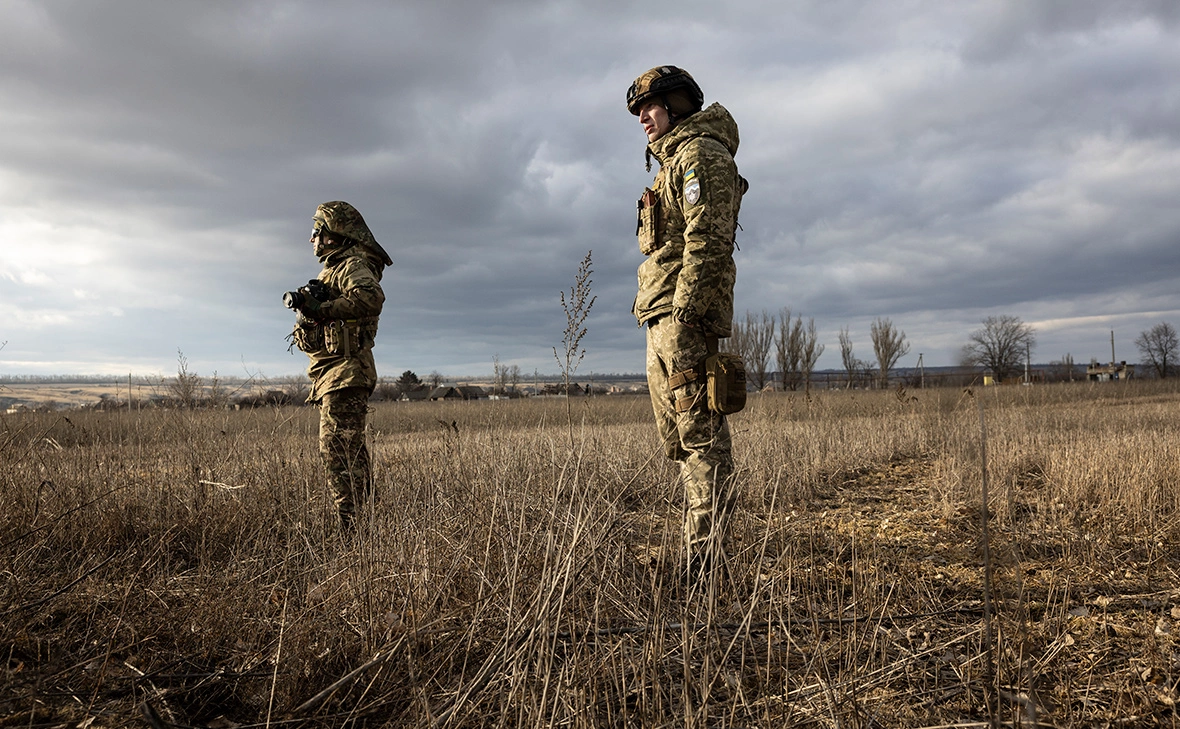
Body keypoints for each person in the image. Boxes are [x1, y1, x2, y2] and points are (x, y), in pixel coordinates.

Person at [627, 66, 747, 580]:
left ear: (677, 104)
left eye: (649, 108)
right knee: (678, 441)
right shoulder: (669, 164)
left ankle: (708, 562)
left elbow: (710, 237)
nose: (642, 120)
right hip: (660, 318)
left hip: (683, 318)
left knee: (701, 438)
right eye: (638, 112)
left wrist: (686, 311)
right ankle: (699, 548)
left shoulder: (701, 155)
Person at [285, 201, 392, 532]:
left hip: (347, 374)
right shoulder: (331, 271)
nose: (311, 240)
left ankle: (354, 532)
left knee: (338, 452)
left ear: (332, 235)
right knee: (345, 451)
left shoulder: (350, 267)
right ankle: (360, 528)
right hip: (333, 374)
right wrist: (309, 313)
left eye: (315, 232)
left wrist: (325, 307)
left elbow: (372, 298)